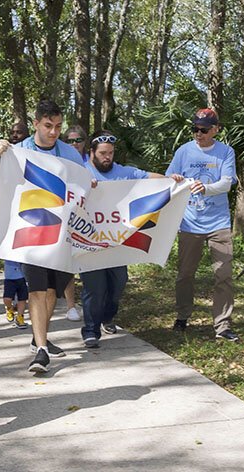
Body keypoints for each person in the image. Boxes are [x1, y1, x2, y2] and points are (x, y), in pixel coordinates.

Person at [0, 100, 86, 374]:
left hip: (62, 235)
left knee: (53, 291)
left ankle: (39, 336)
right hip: (31, 233)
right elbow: (0, 190)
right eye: (48, 126)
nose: (54, 132)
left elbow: (83, 189)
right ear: (35, 123)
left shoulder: (70, 153)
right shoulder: (18, 153)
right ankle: (41, 351)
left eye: (58, 126)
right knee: (37, 289)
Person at [79, 130, 174, 348]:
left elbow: (150, 179)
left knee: (118, 284)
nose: (107, 157)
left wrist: (172, 180)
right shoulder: (81, 172)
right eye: (103, 153)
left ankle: (107, 316)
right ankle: (91, 331)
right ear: (91, 152)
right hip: (89, 242)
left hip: (116, 241)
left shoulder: (123, 172)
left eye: (111, 153)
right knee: (94, 289)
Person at [166, 108, 239, 341]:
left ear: (216, 129)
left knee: (223, 274)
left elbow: (227, 183)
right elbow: (169, 178)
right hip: (189, 223)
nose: (199, 134)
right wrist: (175, 179)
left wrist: (206, 188)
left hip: (218, 223)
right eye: (195, 129)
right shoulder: (184, 151)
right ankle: (182, 316)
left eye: (204, 130)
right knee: (185, 274)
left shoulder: (225, 152)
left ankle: (222, 326)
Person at [59, 125, 89, 322]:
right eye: (69, 140)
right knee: (68, 264)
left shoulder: (91, 161)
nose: (74, 144)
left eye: (78, 140)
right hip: (66, 216)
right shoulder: (62, 159)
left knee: (88, 263)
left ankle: (89, 303)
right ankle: (70, 305)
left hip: (90, 219)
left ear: (84, 142)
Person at [3, 260, 28, 329]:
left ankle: (20, 318)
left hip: (23, 278)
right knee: (7, 299)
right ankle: (9, 308)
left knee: (22, 299)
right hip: (9, 279)